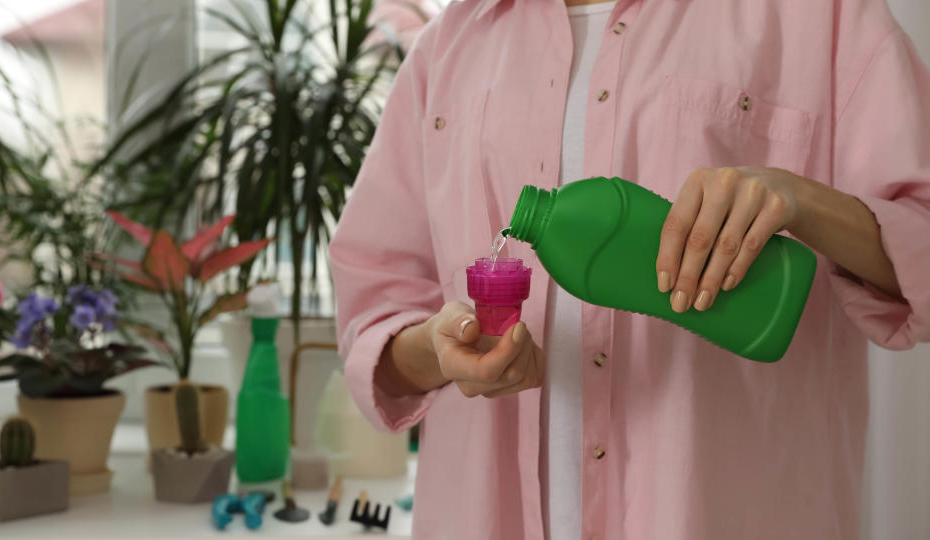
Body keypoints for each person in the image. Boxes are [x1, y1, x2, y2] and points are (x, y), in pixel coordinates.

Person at [328, 0, 930, 538]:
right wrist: (438, 349)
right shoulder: (449, 46)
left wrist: (801, 199)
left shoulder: (822, 17)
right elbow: (373, 307)